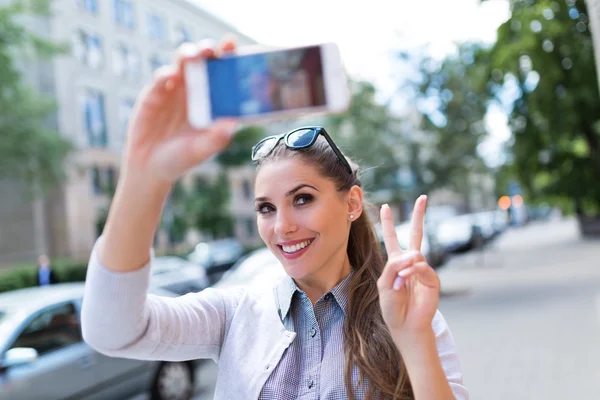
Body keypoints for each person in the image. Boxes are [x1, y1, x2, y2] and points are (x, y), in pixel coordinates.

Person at [80, 38, 468, 400]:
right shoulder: (234, 315)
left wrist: (414, 339)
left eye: (302, 199)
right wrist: (145, 175)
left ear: (351, 204)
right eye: (266, 208)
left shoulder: (410, 314)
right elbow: (112, 330)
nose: (282, 226)